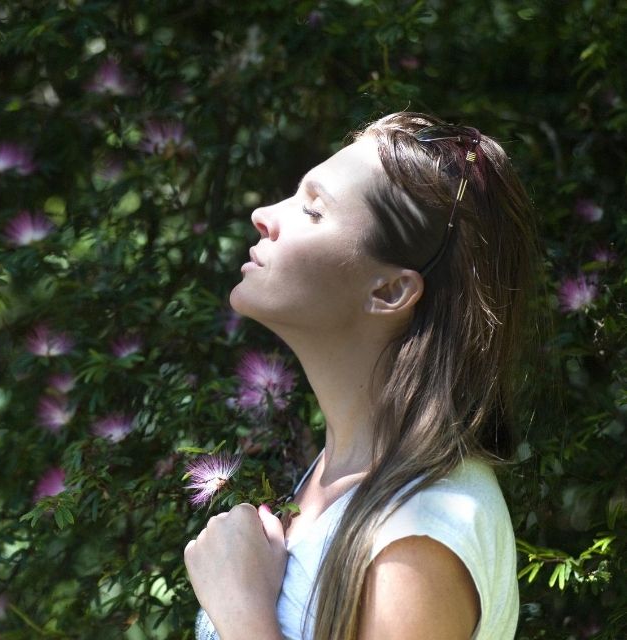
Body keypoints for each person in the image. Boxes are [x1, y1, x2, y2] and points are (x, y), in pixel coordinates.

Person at [184, 111, 538, 640]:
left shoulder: (418, 537)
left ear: (389, 292)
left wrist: (240, 612)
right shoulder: (341, 477)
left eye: (313, 210)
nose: (263, 214)